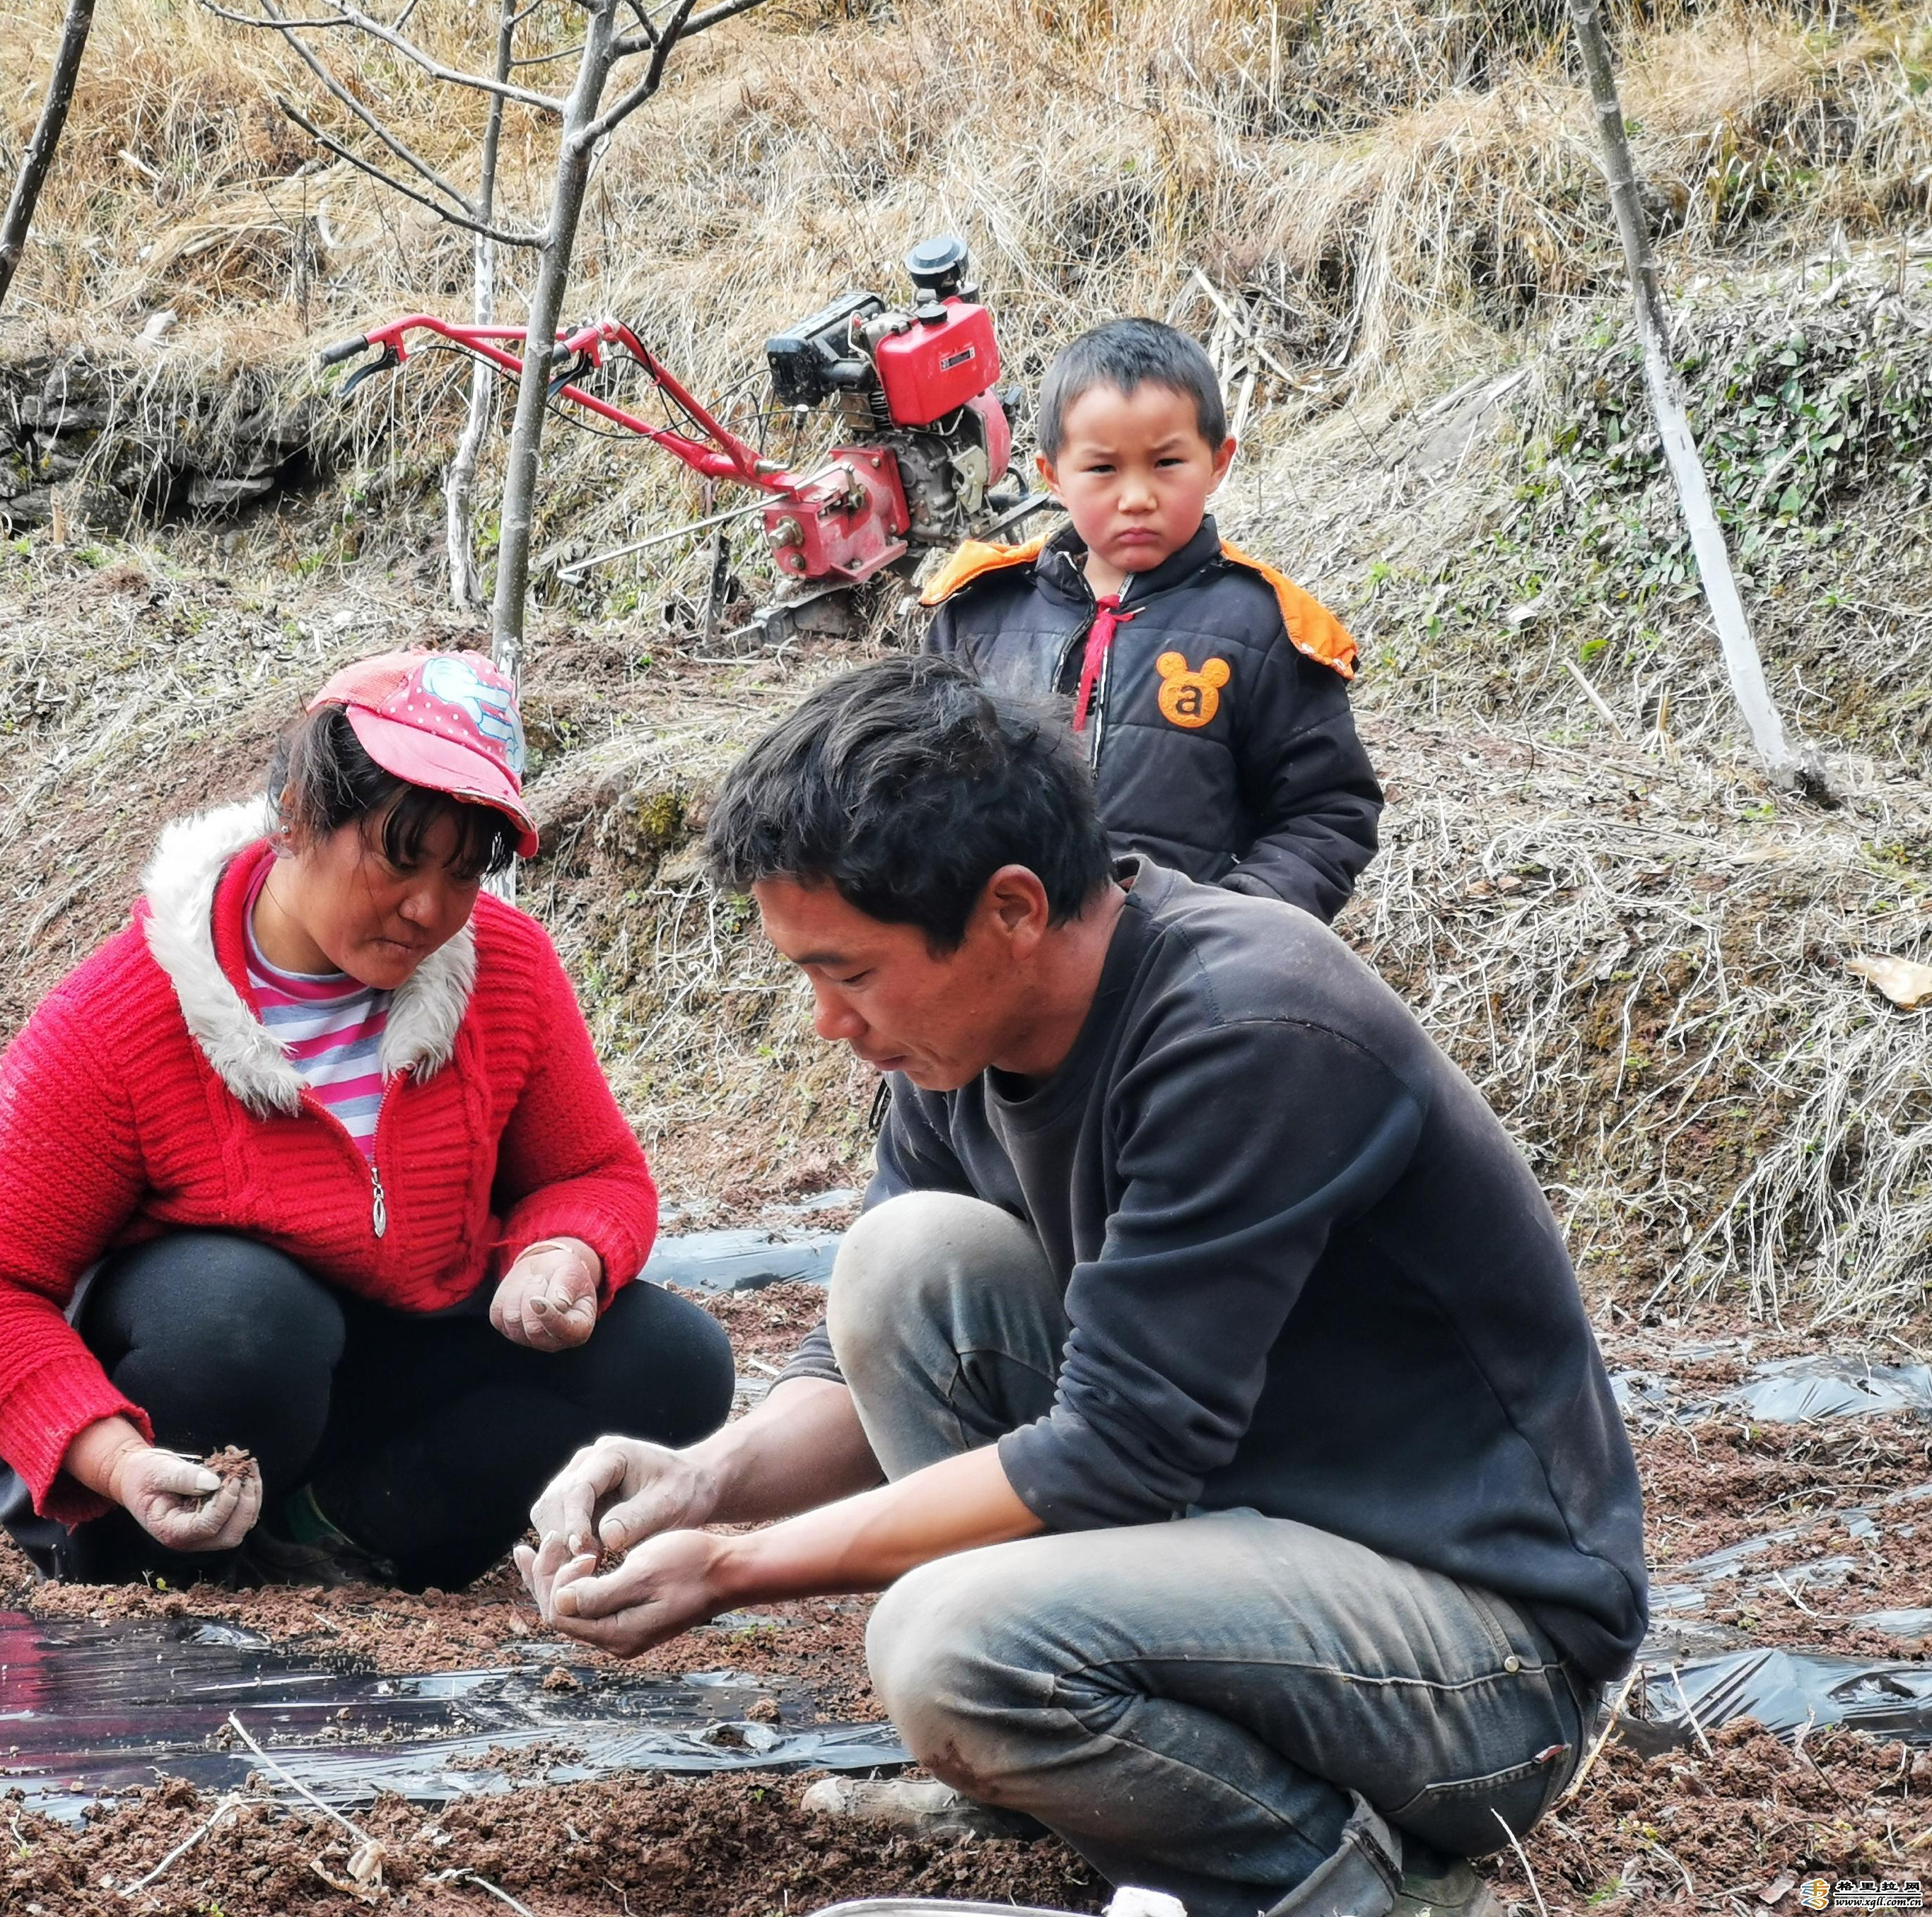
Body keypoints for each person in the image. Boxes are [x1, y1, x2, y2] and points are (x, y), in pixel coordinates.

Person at [515, 657, 1646, 1917]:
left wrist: (732, 1568)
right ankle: (1075, 1779)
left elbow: (1111, 1454)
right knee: (906, 1268)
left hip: (1475, 1656)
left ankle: (1359, 1892)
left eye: (849, 972)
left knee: (946, 1641)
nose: (829, 1023)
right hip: (1241, 1543)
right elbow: (858, 1365)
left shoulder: (1243, 1032)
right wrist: (704, 1479)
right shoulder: (957, 1051)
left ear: (1008, 907)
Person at [0, 647, 733, 1593]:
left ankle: (347, 1539)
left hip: (375, 1412)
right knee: (250, 1318)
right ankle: (161, 1560)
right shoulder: (124, 1020)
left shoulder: (504, 972)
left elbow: (592, 1176)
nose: (430, 909)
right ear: (299, 815)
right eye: (399, 859)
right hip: (181, 1426)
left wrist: (566, 1254)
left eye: (464, 875)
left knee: (673, 1362)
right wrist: (112, 1459)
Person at [920, 316, 1382, 922]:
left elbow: (1327, 812)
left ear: (1218, 462)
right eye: (1103, 469)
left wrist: (1232, 926)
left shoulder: (1265, 625)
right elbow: (920, 786)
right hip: (1000, 961)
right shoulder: (980, 609)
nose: (1136, 496)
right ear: (1052, 475)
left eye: (1166, 463)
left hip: (1177, 976)